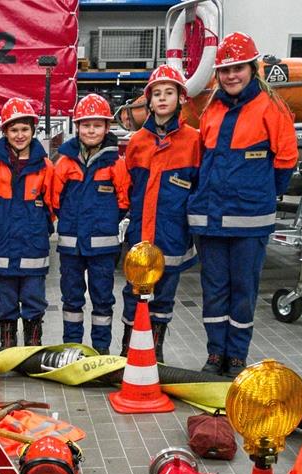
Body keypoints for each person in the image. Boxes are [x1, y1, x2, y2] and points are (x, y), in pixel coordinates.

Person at [188, 32, 297, 377]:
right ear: (217, 74)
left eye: (238, 68)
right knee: (214, 290)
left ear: (253, 68)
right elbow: (203, 160)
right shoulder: (212, 109)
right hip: (211, 219)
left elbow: (286, 161)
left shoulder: (272, 107)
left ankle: (236, 357)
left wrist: (261, 195)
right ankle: (215, 354)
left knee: (243, 292)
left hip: (249, 221)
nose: (231, 75)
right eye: (225, 70)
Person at [121, 64, 201, 362]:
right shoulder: (137, 142)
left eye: (169, 92)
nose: (163, 99)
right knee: (133, 295)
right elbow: (127, 187)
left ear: (181, 98)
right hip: (142, 233)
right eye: (157, 94)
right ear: (149, 101)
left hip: (172, 235)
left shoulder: (194, 141)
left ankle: (155, 352)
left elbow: (198, 187)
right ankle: (128, 351)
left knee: (164, 296)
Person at [51, 94, 130, 353]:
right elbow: (54, 199)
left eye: (97, 125)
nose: (91, 130)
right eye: (86, 125)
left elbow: (123, 201)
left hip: (103, 250)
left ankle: (100, 351)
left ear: (107, 128)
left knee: (102, 300)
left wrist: (105, 226)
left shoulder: (116, 164)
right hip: (71, 248)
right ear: (77, 127)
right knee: (71, 300)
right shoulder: (64, 163)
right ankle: (72, 349)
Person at [0, 98, 55, 347]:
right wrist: (1, 227)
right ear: (5, 132)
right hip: (2, 246)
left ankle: (33, 345)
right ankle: (8, 345)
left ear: (33, 131)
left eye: (24, 129)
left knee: (34, 297)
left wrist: (37, 225)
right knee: (5, 298)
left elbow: (51, 205)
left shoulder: (44, 166)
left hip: (33, 247)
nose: (19, 135)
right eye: (14, 129)